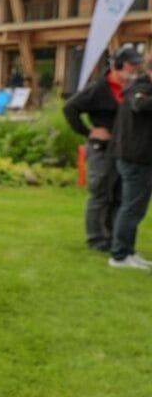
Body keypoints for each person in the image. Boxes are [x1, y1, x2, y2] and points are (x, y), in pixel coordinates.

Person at [63, 46, 141, 253]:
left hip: (123, 149)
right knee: (100, 193)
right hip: (101, 149)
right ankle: (96, 238)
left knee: (119, 194)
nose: (133, 70)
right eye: (130, 66)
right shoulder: (98, 88)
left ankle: (112, 235)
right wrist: (89, 131)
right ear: (117, 66)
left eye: (135, 66)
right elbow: (70, 108)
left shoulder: (132, 88)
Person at [108, 52, 152, 269]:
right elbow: (139, 105)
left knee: (136, 208)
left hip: (140, 157)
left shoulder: (141, 86)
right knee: (132, 208)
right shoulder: (140, 88)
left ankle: (128, 251)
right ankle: (119, 255)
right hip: (134, 159)